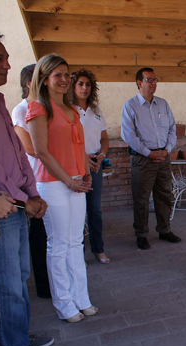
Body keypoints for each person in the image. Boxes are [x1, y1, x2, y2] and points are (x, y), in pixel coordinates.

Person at [0, 32, 57, 346]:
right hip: (0, 211)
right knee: (7, 290)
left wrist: (31, 193)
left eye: (5, 58)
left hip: (17, 205)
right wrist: (22, 199)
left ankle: (18, 338)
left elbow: (18, 156)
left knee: (19, 279)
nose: (7, 64)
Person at [27, 53, 97, 323]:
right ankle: (64, 304)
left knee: (76, 243)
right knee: (58, 246)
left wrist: (84, 174)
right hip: (54, 185)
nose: (65, 80)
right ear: (44, 80)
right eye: (58, 75)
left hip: (76, 182)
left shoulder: (71, 109)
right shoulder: (38, 108)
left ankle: (82, 298)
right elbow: (42, 152)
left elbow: (78, 147)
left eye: (67, 74)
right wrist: (69, 180)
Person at [121, 67, 181, 250]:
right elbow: (128, 135)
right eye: (149, 80)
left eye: (155, 80)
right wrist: (149, 153)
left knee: (164, 195)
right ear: (139, 83)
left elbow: (172, 129)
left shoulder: (163, 104)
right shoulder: (130, 106)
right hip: (143, 159)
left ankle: (164, 230)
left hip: (163, 157)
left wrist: (167, 149)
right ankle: (141, 234)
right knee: (142, 198)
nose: (153, 83)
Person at [11, 63, 52, 298]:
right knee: (40, 234)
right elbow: (32, 147)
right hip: (37, 179)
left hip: (55, 175)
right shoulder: (20, 110)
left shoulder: (48, 107)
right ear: (30, 82)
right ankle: (44, 286)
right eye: (43, 77)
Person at [71, 68, 110, 264]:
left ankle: (99, 249)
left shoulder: (96, 111)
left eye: (88, 84)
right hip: (75, 165)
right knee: (77, 212)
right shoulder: (67, 110)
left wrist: (101, 156)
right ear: (73, 86)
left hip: (95, 165)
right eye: (80, 84)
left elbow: (104, 138)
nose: (84, 88)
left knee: (94, 210)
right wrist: (84, 158)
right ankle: (78, 253)